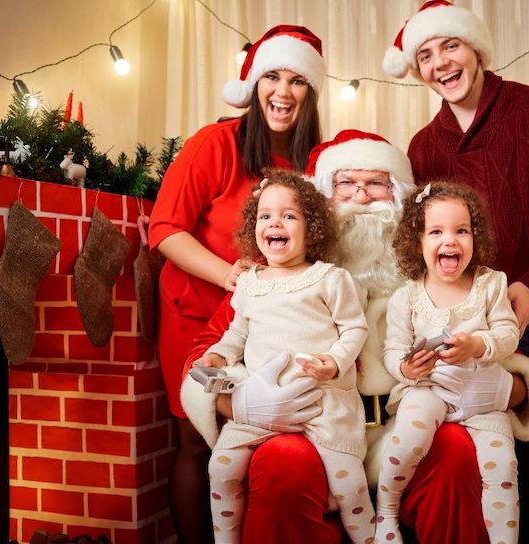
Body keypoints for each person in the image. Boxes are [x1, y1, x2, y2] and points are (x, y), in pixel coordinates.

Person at [180, 130, 529, 543]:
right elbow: (206, 353)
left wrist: (501, 389)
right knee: (283, 459)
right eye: (345, 184)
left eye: (376, 184)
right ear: (320, 201)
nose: (360, 197)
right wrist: (241, 402)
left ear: (402, 200)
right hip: (314, 424)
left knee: (457, 452)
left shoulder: (446, 276)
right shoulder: (271, 277)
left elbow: (502, 350)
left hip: (409, 425)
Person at [383, 2, 529, 542]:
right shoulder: (423, 146)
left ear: (474, 47)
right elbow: (422, 238)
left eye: (449, 46)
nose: (441, 63)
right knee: (477, 459)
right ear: (418, 70)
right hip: (460, 320)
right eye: (426, 56)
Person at [148, 24, 326, 544]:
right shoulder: (215, 144)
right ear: (253, 83)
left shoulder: (312, 162)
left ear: (310, 92)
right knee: (199, 440)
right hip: (194, 315)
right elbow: (165, 229)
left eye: (297, 80)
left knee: (255, 440)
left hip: (267, 327)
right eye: (272, 75)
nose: (283, 91)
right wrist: (227, 274)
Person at [193, 171, 374, 544]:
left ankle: (370, 538)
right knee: (222, 468)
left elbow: (355, 329)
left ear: (313, 228)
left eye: (289, 216)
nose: (275, 222)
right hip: (260, 405)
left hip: (322, 405)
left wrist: (335, 361)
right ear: (253, 227)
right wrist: (216, 356)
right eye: (265, 216)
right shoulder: (249, 283)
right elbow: (237, 334)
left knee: (349, 486)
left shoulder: (329, 279)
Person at [377, 181, 521, 544]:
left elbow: (507, 334)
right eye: (436, 232)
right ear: (418, 242)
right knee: (408, 439)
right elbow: (393, 351)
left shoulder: (491, 284)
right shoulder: (406, 297)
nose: (450, 241)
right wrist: (407, 369)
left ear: (476, 237)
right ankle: (387, 511)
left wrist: (477, 344)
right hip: (430, 389)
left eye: (462, 231)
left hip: (483, 399)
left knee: (503, 469)